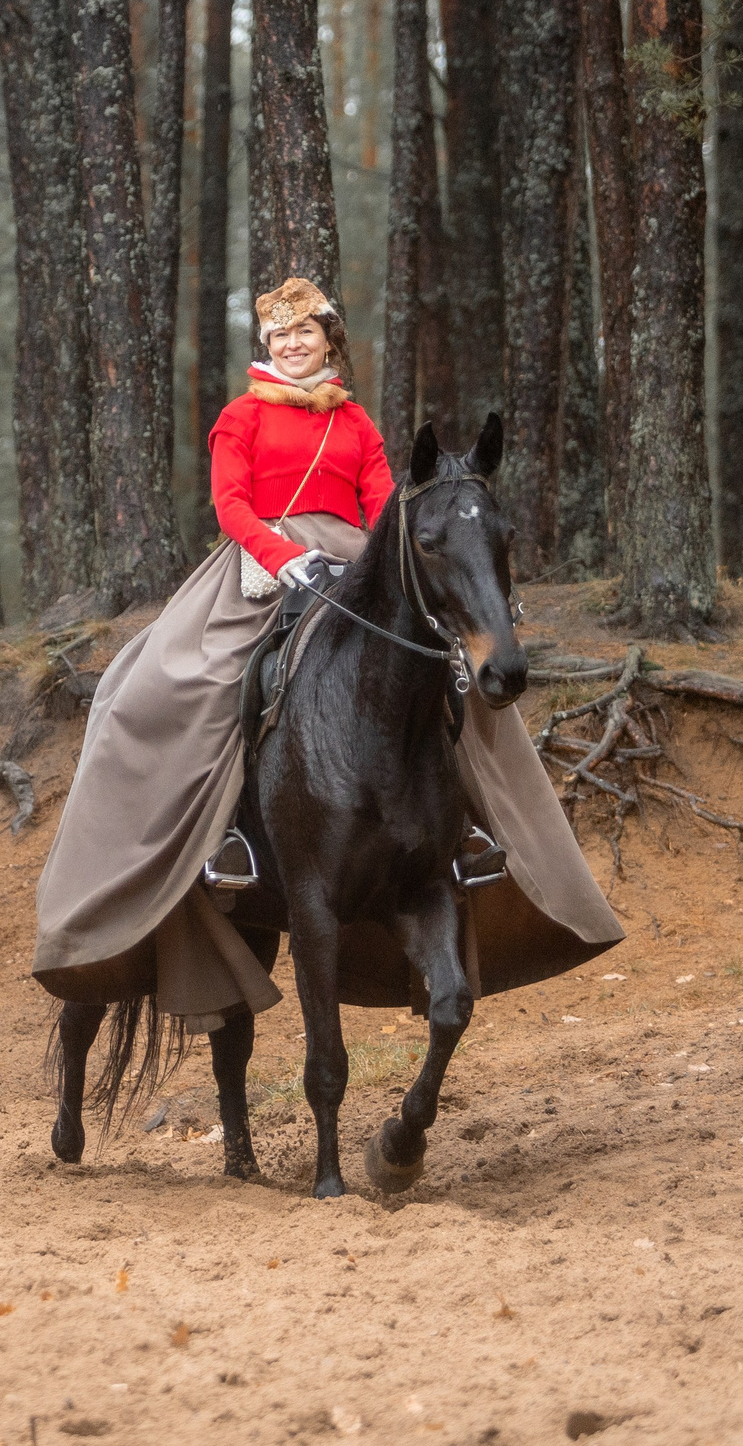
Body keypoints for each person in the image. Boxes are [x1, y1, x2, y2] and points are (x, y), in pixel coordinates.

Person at [32, 278, 620, 1029]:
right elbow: (231, 504)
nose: (292, 345)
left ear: (328, 340)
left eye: (305, 333)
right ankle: (221, 839)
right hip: (260, 569)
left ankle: (472, 829)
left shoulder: (356, 423)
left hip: (354, 564)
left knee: (443, 674)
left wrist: (374, 570)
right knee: (178, 687)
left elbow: (383, 505)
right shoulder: (240, 416)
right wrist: (286, 559)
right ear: (267, 346)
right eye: (280, 336)